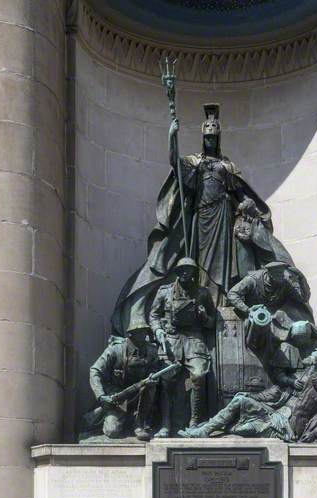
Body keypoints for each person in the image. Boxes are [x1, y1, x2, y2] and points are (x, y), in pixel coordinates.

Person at [111, 104, 296, 336]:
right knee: (199, 264)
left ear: (218, 139)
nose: (209, 141)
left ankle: (223, 303)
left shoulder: (227, 166)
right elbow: (175, 165)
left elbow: (242, 195)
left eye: (213, 138)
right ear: (203, 138)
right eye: (207, 137)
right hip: (200, 219)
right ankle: (203, 301)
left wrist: (247, 208)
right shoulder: (195, 163)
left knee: (224, 264)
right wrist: (172, 137)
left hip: (223, 220)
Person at [179, 349, 317, 443]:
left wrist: (315, 433)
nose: (309, 358)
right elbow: (273, 393)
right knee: (240, 400)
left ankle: (208, 430)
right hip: (273, 413)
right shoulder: (297, 376)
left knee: (238, 429)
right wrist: (250, 395)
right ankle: (204, 431)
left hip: (287, 426)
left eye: (314, 356)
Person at [149, 257, 215, 436]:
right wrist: (158, 331)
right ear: (177, 272)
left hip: (194, 339)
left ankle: (195, 420)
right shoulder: (165, 292)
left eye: (189, 269)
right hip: (171, 339)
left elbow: (212, 322)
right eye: (182, 269)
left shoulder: (203, 293)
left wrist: (204, 317)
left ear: (194, 272)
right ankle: (165, 424)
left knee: (199, 374)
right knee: (166, 378)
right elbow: (153, 315)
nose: (186, 272)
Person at [84, 324, 161, 441]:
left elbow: (155, 368)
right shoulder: (115, 350)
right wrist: (101, 395)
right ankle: (104, 418)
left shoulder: (151, 351)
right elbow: (95, 371)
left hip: (139, 395)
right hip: (117, 397)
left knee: (150, 387)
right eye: (140, 332)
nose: (144, 335)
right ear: (130, 334)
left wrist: (153, 376)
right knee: (112, 432)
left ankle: (139, 424)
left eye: (145, 331)